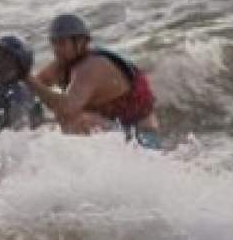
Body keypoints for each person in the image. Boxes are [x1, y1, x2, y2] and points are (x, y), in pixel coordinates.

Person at [26, 13, 160, 148]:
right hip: (115, 132)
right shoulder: (62, 65)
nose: (56, 50)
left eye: (62, 43)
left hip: (142, 139)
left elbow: (67, 109)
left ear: (80, 42)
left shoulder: (92, 67)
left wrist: (27, 78)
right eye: (53, 43)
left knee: (77, 121)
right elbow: (32, 87)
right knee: (48, 128)